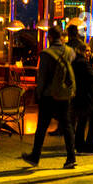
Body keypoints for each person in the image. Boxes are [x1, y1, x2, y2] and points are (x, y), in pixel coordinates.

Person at [20, 24, 78, 169]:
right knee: (67, 125)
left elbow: (42, 77)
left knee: (42, 126)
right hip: (64, 94)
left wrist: (38, 94)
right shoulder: (70, 51)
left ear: (50, 37)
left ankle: (35, 156)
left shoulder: (46, 54)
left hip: (49, 95)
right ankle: (71, 157)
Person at [66, 26, 93, 154]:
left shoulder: (78, 62)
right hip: (89, 97)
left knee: (82, 121)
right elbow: (92, 78)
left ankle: (80, 144)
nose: (88, 53)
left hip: (82, 96)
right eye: (86, 51)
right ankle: (89, 144)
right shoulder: (83, 62)